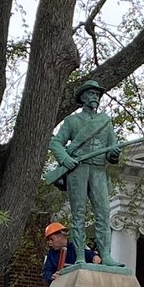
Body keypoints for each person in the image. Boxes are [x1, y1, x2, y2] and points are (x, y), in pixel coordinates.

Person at [49, 80, 124, 266]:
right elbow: (56, 143)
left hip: (98, 170)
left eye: (97, 95)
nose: (95, 97)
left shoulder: (105, 122)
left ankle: (105, 255)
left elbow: (111, 150)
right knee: (79, 215)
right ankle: (80, 256)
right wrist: (65, 159)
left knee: (103, 213)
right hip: (78, 169)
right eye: (91, 94)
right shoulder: (72, 121)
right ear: (83, 97)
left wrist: (113, 154)